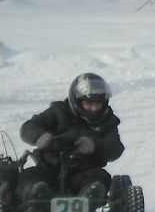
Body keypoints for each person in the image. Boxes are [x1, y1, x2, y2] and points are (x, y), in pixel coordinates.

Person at [16, 72, 125, 203]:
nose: (94, 109)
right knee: (29, 178)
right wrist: (40, 137)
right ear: (76, 101)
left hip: (84, 171)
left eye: (98, 104)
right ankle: (38, 198)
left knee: (100, 179)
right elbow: (28, 127)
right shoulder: (58, 112)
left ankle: (88, 199)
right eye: (88, 104)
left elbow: (115, 147)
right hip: (49, 168)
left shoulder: (108, 121)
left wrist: (95, 146)